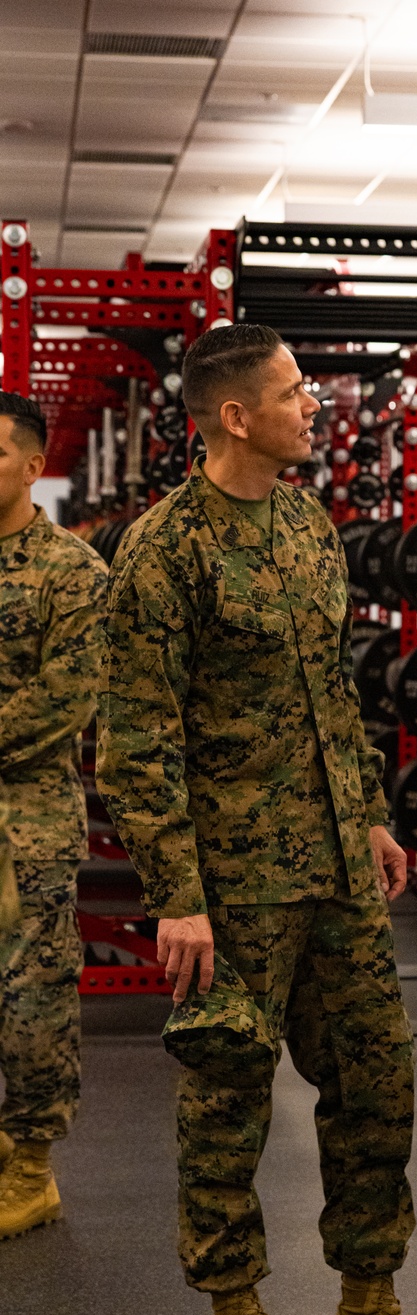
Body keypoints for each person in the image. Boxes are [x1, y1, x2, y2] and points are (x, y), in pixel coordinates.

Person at [97, 323, 417, 1315]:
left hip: (336, 870)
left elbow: (333, 699)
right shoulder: (165, 550)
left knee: (373, 1082)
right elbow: (136, 733)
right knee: (228, 1098)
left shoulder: (308, 526)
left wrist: (372, 819)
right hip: (232, 883)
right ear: (233, 417)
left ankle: (365, 1308)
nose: (317, 408)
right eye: (296, 393)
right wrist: (178, 896)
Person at [0, 393, 107, 1241]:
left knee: (31, 999)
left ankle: (31, 1166)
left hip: (25, 824)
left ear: (34, 465)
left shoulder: (72, 573)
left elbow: (65, 699)